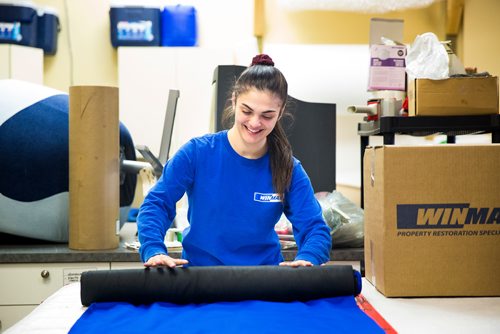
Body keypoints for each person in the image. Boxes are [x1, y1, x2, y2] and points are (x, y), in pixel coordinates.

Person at [137, 54, 332, 268]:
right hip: (201, 281)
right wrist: (153, 249)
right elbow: (157, 203)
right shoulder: (196, 153)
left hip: (264, 283)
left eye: (267, 116)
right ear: (233, 101)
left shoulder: (289, 168)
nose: (255, 123)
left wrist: (308, 258)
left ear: (281, 112)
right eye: (247, 111)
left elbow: (315, 228)